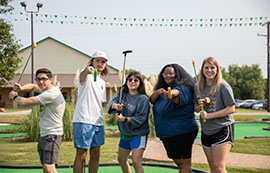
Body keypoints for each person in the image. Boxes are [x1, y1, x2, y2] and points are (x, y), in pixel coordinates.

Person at [9, 68, 66, 173]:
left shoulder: (51, 93)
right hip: (45, 134)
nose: (41, 82)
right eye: (38, 79)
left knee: (49, 168)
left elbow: (25, 102)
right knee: (45, 167)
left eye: (44, 79)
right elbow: (33, 86)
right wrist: (21, 88)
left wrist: (14, 96)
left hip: (53, 134)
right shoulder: (45, 89)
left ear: (51, 79)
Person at [149, 64, 198, 173]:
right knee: (181, 163)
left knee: (184, 164)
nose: (167, 76)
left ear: (177, 75)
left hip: (181, 132)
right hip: (171, 134)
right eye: (165, 73)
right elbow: (152, 100)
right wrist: (158, 92)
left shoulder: (183, 88)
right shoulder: (163, 90)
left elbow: (176, 95)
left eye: (171, 73)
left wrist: (170, 94)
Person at [194, 57, 235, 173]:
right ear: (202, 70)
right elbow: (196, 108)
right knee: (212, 166)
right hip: (207, 130)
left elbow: (231, 109)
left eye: (212, 67)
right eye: (206, 68)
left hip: (222, 128)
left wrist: (209, 116)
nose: (209, 70)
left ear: (217, 69)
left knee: (218, 166)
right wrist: (200, 104)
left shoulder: (223, 86)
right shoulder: (198, 87)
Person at [72, 50, 108, 173]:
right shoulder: (85, 77)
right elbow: (82, 76)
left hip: (98, 122)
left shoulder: (103, 83)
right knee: (81, 155)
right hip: (83, 120)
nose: (100, 63)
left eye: (103, 61)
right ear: (92, 61)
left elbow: (101, 102)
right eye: (97, 60)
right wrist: (86, 71)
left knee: (96, 154)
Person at [108, 71, 150, 173]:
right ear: (126, 82)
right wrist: (115, 106)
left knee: (136, 161)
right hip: (125, 134)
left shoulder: (143, 99)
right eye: (130, 79)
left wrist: (125, 119)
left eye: (136, 80)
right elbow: (112, 102)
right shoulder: (122, 94)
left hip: (138, 134)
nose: (132, 82)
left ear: (140, 83)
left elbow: (141, 119)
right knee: (121, 159)